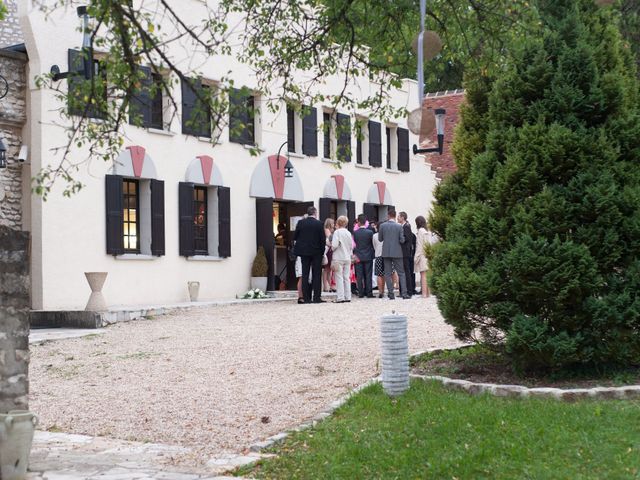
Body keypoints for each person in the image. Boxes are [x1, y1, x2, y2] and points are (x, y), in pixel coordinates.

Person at [294, 206, 327, 303]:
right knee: (317, 274)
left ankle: (306, 298)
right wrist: (322, 252)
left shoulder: (301, 222)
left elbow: (295, 236)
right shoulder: (319, 224)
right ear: (315, 213)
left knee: (305, 274)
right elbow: (322, 240)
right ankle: (316, 297)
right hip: (316, 252)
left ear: (308, 213)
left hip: (304, 252)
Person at [377, 209, 408, 299]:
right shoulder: (399, 227)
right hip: (397, 252)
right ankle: (404, 294)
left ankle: (391, 294)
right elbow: (402, 240)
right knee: (401, 273)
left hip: (386, 252)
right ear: (395, 216)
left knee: (387, 273)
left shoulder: (382, 226)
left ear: (388, 215)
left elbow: (380, 239)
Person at [330, 215, 353, 303]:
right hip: (347, 257)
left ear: (338, 222)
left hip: (338, 257)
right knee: (347, 278)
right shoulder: (348, 233)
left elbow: (335, 245)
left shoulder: (337, 232)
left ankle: (340, 297)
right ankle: (348, 296)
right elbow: (351, 246)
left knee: (339, 277)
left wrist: (331, 247)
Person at [353, 214, 375, 298]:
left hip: (358, 256)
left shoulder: (355, 233)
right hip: (368, 255)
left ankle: (361, 293)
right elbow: (371, 244)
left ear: (358, 222)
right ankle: (369, 292)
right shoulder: (370, 232)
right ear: (365, 222)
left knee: (359, 275)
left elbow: (355, 244)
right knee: (368, 275)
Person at [398, 212, 416, 296]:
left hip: (405, 253)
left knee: (406, 272)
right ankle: (402, 291)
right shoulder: (402, 226)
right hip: (402, 252)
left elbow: (406, 239)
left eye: (399, 216)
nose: (397, 218)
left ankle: (409, 291)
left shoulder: (406, 227)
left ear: (402, 217)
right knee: (403, 272)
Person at [414, 215, 430, 298]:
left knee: (423, 275)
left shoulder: (420, 231)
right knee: (427, 275)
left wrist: (416, 257)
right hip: (427, 255)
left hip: (422, 256)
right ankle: (428, 294)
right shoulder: (426, 231)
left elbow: (419, 245)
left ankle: (424, 294)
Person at [322, 218, 335, 293]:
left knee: (329, 269)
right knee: (327, 269)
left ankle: (329, 285)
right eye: (332, 223)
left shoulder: (329, 230)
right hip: (328, 251)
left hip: (329, 250)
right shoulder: (327, 230)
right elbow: (330, 240)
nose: (333, 224)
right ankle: (326, 286)